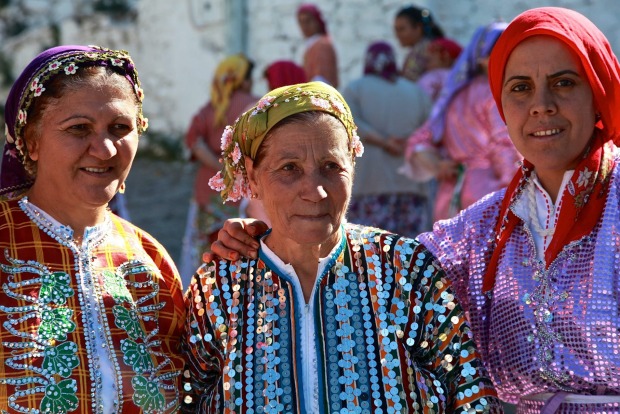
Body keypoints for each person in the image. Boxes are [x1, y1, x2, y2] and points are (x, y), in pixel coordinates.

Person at [211, 7, 620, 413]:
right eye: (520, 88)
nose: (541, 105)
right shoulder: (484, 227)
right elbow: (390, 269)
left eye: (564, 83)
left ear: (599, 90)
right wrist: (276, 239)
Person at [180, 81, 502, 413]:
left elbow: (471, 392)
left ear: (352, 164)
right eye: (289, 169)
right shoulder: (218, 287)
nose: (315, 191)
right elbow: (187, 399)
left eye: (332, 167)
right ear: (253, 176)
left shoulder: (407, 269)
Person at [0, 45, 185, 412]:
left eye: (120, 128)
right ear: (31, 142)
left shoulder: (150, 261)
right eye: (79, 129)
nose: (104, 150)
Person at [405, 22, 521, 222]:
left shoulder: (455, 95)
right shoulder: (493, 95)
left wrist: (438, 166)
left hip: (451, 195)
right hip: (489, 193)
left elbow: (419, 141)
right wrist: (518, 194)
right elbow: (505, 146)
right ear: (485, 59)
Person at [179, 54, 258, 285]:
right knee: (240, 246)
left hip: (208, 188)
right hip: (243, 190)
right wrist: (235, 168)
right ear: (242, 80)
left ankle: (202, 294)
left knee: (205, 247)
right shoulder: (256, 105)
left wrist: (220, 166)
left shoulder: (212, 107)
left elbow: (193, 141)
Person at [342, 41, 433, 236]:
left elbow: (350, 123)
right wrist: (405, 141)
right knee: (409, 254)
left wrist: (384, 142)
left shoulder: (355, 89)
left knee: (371, 253)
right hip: (412, 185)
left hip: (369, 185)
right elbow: (428, 129)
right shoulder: (416, 92)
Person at [394, 4, 444, 82]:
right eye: (396, 30)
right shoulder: (429, 45)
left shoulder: (423, 49)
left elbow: (409, 81)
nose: (397, 35)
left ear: (418, 27)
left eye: (402, 29)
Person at [296, 3, 339, 87]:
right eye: (301, 22)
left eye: (308, 21)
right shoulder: (312, 44)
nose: (304, 26)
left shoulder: (322, 45)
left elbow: (321, 80)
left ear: (317, 21)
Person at [418, 37, 463, 101]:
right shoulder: (463, 78)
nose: (425, 66)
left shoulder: (429, 77)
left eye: (428, 61)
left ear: (446, 57)